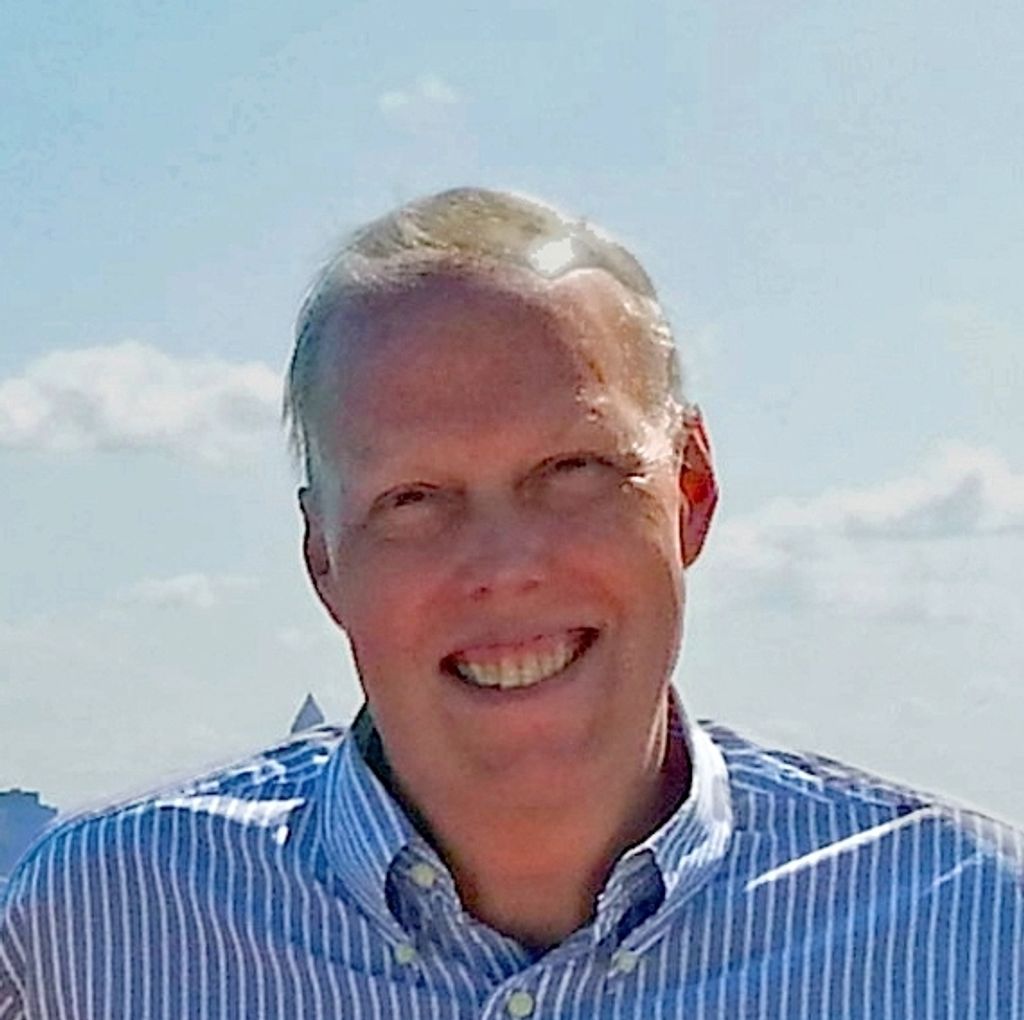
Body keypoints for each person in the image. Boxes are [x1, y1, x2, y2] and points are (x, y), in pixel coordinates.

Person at [1, 188, 1021, 1019]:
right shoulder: (93, 937)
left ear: (691, 493)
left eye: (572, 471)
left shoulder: (976, 937)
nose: (504, 564)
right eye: (413, 499)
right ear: (323, 563)